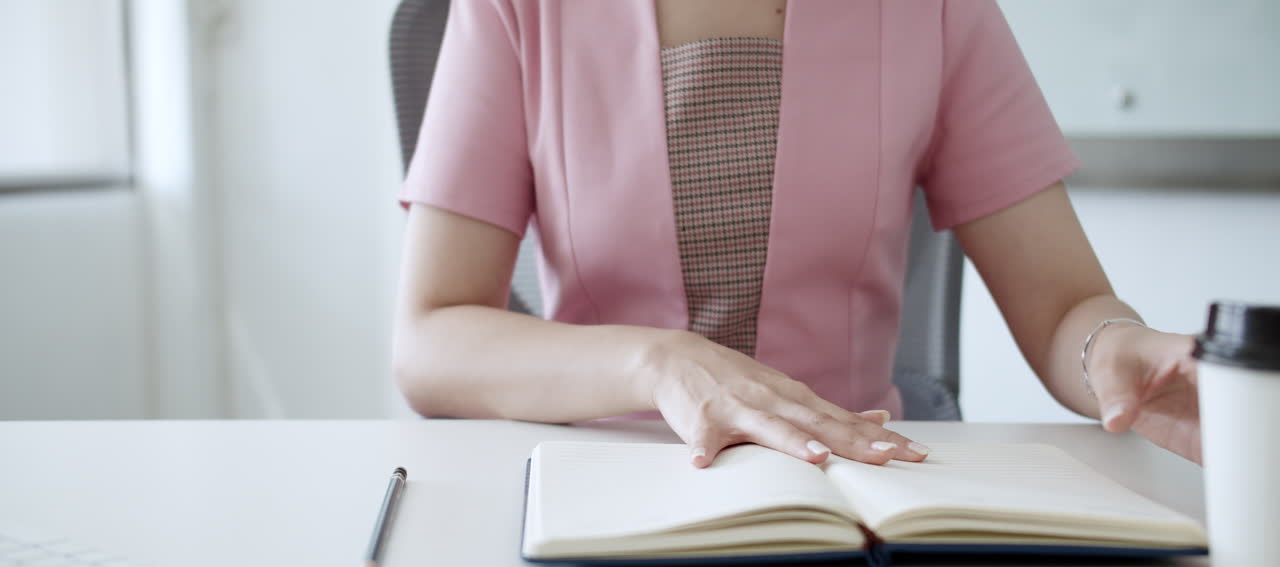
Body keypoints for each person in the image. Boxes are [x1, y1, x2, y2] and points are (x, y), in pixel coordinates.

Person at [392, 0, 1201, 468]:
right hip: (606, 486)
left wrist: (1111, 351)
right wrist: (659, 363)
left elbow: (1065, 306)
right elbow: (432, 339)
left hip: (855, 491)